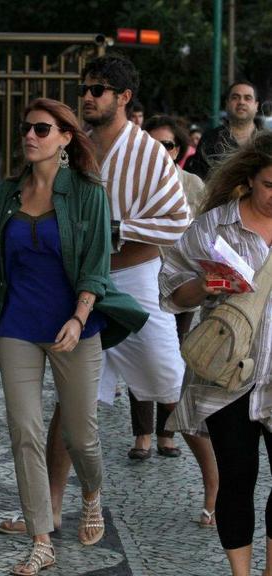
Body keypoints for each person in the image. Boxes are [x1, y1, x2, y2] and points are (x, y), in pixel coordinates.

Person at [0, 53, 218, 535]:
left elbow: (176, 221)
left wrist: (111, 229)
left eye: (98, 90)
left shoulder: (148, 152)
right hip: (78, 287)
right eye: (86, 89)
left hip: (134, 283)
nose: (88, 97)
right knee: (72, 404)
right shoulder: (75, 148)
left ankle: (216, 491)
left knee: (173, 391)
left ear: (124, 98)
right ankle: (50, 509)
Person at [0, 97, 148, 575]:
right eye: (26, 128)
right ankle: (41, 540)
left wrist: (78, 317)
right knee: (24, 430)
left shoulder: (89, 192)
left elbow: (95, 266)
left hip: (75, 324)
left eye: (42, 129)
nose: (30, 136)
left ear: (66, 139)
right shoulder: (8, 194)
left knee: (80, 436)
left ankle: (91, 491)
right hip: (18, 327)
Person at [159, 130, 272, 576]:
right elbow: (171, 289)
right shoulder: (214, 226)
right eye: (269, 185)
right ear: (249, 179)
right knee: (237, 480)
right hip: (229, 378)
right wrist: (203, 285)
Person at [125, 114, 205, 461]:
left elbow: (205, 233)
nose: (160, 150)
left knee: (175, 359)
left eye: (168, 144)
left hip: (182, 282)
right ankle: (142, 433)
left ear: (179, 149)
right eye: (153, 143)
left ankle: (167, 433)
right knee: (141, 351)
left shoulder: (193, 185)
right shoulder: (134, 184)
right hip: (141, 279)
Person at [186, 81, 261, 180]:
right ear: (227, 104)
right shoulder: (210, 139)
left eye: (248, 98)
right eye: (235, 97)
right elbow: (197, 181)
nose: (241, 102)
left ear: (256, 105)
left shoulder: (267, 140)